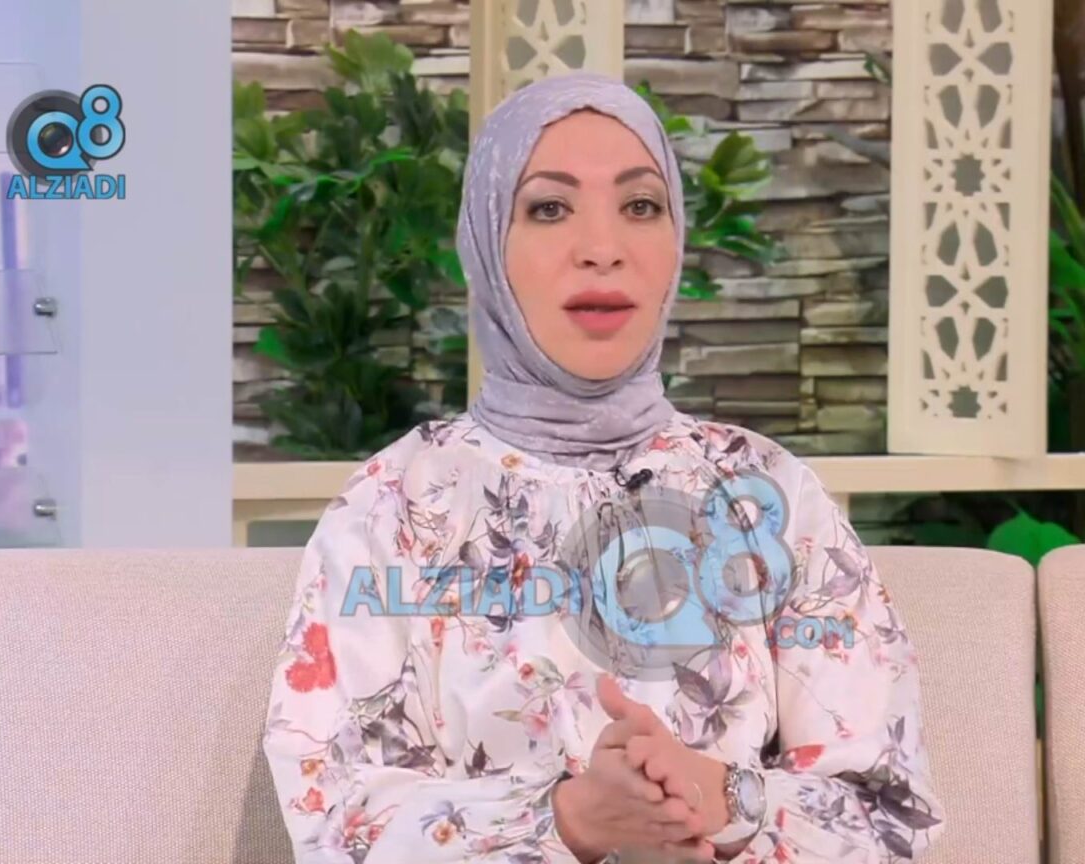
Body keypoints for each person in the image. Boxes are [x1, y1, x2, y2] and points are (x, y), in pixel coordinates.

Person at [262, 72, 944, 863]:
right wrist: (571, 820)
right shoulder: (395, 503)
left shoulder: (767, 493)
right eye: (549, 208)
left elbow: (892, 816)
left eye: (641, 206)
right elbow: (335, 821)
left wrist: (721, 798)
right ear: (486, 244)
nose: (602, 249)